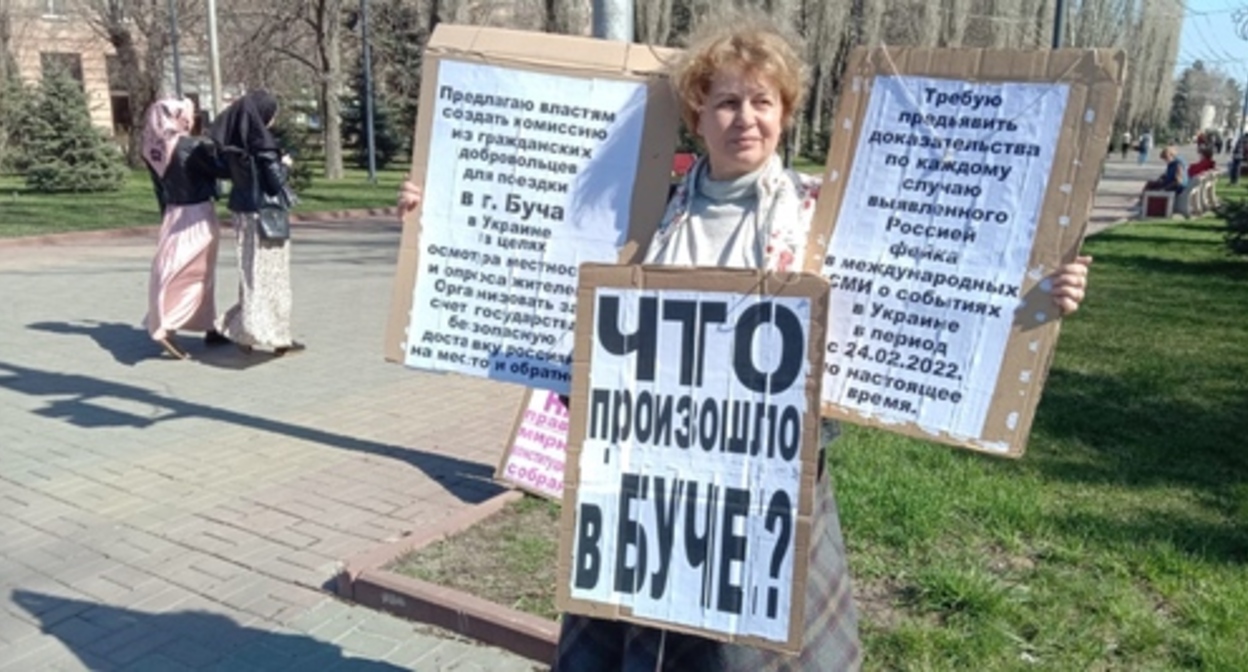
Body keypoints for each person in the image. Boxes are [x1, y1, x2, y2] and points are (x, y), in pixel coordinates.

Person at [400, 15, 1091, 671]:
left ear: (785, 111)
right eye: (725, 101)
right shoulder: (643, 208)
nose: (745, 118)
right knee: (639, 634)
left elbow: (929, 290)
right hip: (649, 467)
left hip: (772, 471)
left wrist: (1038, 293)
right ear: (696, 114)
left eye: (762, 100)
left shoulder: (829, 212)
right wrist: (434, 217)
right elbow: (533, 264)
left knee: (744, 654)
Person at [209, 90, 304, 356]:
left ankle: (246, 334)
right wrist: (284, 164)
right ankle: (275, 335)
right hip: (267, 216)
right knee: (273, 278)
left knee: (250, 275)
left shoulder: (233, 145)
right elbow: (275, 183)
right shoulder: (264, 145)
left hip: (243, 213)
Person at [141, 97, 232, 360]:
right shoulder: (189, 146)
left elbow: (159, 186)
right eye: (187, 115)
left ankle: (206, 324)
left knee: (173, 268)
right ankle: (164, 326)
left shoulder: (152, 146)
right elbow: (223, 171)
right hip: (198, 214)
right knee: (194, 272)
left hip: (173, 212)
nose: (190, 120)